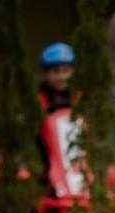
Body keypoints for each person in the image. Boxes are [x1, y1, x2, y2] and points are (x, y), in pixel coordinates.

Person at [36, 43, 76, 186]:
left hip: (74, 167)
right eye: (56, 71)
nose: (61, 76)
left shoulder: (78, 99)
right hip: (47, 164)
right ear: (46, 73)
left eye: (66, 70)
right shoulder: (39, 101)